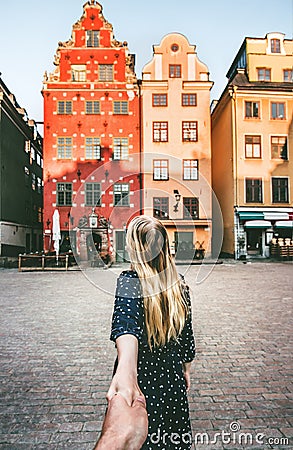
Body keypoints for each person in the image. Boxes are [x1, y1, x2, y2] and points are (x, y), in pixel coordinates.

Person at [108, 215, 196, 449]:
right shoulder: (180, 284)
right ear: (165, 246)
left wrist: (126, 369)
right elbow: (187, 335)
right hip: (172, 378)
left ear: (134, 248)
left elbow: (126, 325)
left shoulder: (129, 282)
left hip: (142, 383)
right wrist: (185, 369)